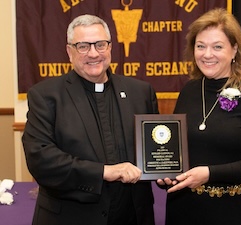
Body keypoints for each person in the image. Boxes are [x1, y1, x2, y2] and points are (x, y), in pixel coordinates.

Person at [22, 14, 158, 225]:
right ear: (69, 51)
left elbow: (155, 149)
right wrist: (104, 171)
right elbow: (41, 159)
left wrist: (166, 170)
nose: (93, 53)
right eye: (83, 46)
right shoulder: (46, 96)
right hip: (71, 218)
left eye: (100, 45)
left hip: (133, 217)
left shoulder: (141, 92)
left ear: (111, 47)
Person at [157, 8, 241, 225]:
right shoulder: (189, 90)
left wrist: (209, 173)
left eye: (217, 47)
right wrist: (165, 172)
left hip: (236, 211)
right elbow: (177, 149)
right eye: (200, 46)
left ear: (234, 50)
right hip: (184, 209)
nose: (207, 54)